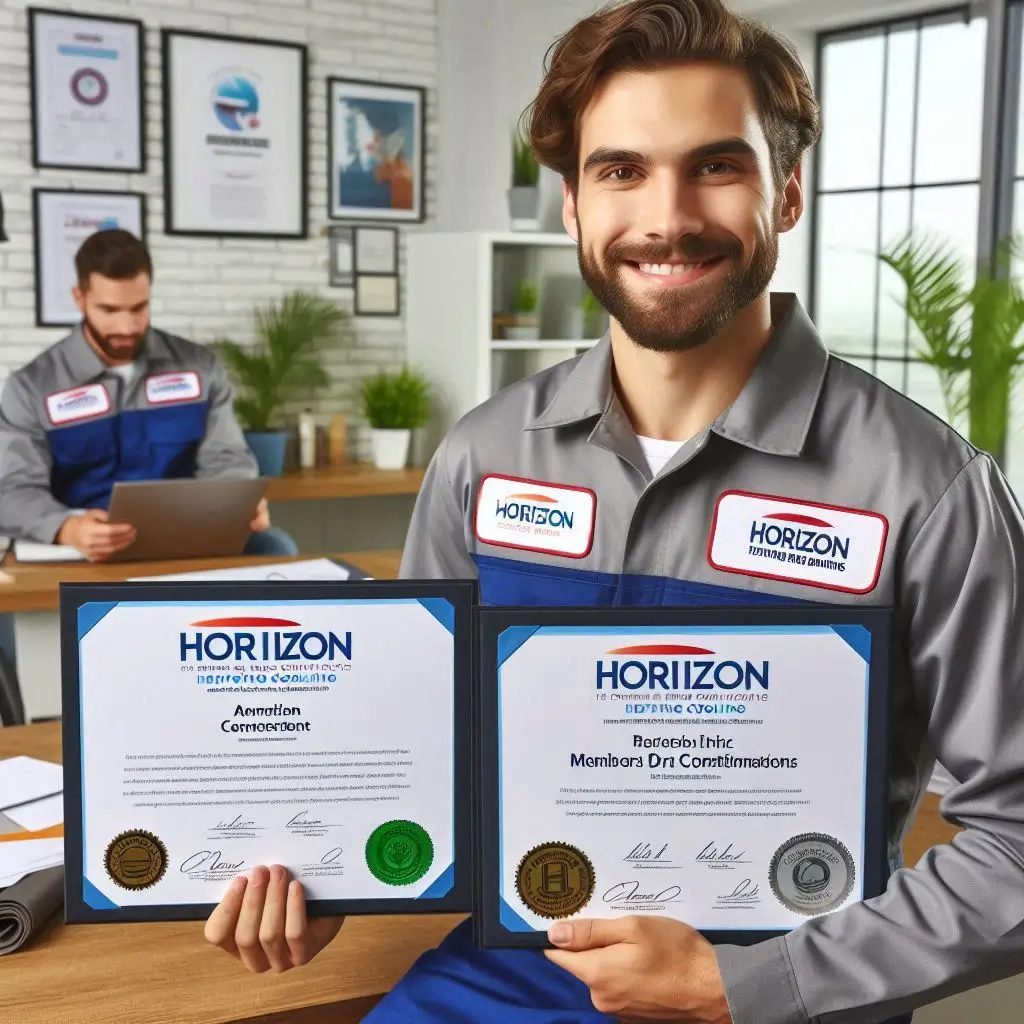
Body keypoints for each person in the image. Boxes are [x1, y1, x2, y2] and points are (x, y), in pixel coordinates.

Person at [203, 0, 1024, 1021]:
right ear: (572, 205)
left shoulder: (929, 488)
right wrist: (337, 869)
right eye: (621, 169)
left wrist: (746, 983)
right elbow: (422, 754)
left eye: (716, 166)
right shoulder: (483, 458)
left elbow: (1017, 845)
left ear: (789, 191)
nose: (665, 216)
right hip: (500, 984)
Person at [0, 228, 298, 561]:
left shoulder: (200, 368)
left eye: (139, 308)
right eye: (110, 311)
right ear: (79, 298)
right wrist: (66, 528)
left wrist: (235, 505)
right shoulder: (30, 388)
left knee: (275, 546)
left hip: (188, 538)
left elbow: (228, 460)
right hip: (85, 550)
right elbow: (13, 491)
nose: (127, 327)